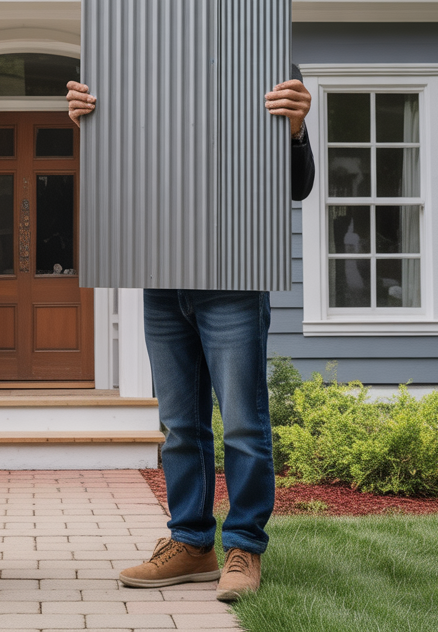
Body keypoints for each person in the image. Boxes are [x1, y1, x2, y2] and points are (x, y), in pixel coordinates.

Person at [65, 78, 314, 601]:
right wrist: (90, 125)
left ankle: (244, 547)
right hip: (160, 279)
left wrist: (295, 130)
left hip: (234, 280)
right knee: (180, 425)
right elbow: (119, 177)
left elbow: (297, 187)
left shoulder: (263, 58)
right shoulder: (135, 63)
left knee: (243, 424)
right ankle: (193, 544)